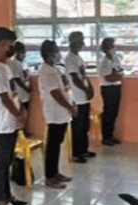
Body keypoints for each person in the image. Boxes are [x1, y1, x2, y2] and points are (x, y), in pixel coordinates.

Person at [0, 27, 29, 205]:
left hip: (11, 119)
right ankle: (2, 202)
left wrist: (21, 109)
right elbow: (3, 97)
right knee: (2, 161)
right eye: (7, 45)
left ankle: (9, 196)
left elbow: (12, 93)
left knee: (9, 158)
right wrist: (17, 113)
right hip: (3, 120)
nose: (10, 48)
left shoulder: (6, 67)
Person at [39, 40, 75, 189]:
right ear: (48, 54)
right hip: (55, 113)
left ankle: (55, 172)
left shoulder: (55, 69)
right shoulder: (46, 71)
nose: (58, 53)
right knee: (52, 145)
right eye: (55, 51)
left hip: (63, 113)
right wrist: (69, 107)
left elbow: (64, 89)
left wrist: (71, 105)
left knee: (58, 144)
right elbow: (55, 93)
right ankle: (49, 176)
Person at [65, 31, 96, 162]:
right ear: (74, 42)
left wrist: (90, 88)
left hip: (83, 97)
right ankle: (77, 153)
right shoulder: (70, 58)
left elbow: (83, 76)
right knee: (77, 126)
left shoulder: (78, 58)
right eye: (80, 39)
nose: (83, 42)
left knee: (85, 125)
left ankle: (84, 149)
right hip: (76, 97)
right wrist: (85, 89)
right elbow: (75, 79)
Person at [97, 37, 123, 146]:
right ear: (106, 48)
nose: (114, 48)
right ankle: (106, 137)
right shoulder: (104, 62)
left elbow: (120, 72)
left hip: (116, 88)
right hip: (108, 89)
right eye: (111, 46)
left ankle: (111, 135)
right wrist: (116, 75)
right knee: (108, 112)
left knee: (114, 113)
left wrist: (116, 75)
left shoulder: (115, 59)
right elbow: (109, 78)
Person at [9, 42, 32, 129]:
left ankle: (23, 130)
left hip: (25, 94)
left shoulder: (23, 63)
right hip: (19, 93)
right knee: (20, 114)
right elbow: (17, 79)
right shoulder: (14, 63)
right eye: (22, 52)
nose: (24, 54)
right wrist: (26, 88)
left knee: (25, 113)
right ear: (17, 52)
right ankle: (20, 132)